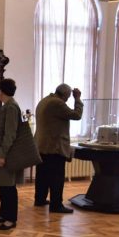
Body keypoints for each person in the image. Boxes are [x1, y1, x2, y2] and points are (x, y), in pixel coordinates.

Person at [0, 78, 39, 231]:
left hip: (6, 153)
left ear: (1, 91)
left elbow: (10, 134)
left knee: (8, 187)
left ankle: (10, 218)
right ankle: (3, 213)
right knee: (3, 185)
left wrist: (2, 155)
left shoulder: (11, 107)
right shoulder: (8, 106)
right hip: (2, 151)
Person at [33, 83, 83, 213]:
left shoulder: (45, 100)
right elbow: (76, 115)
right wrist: (77, 99)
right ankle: (56, 205)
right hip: (54, 146)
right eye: (68, 96)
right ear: (65, 95)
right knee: (57, 177)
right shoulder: (57, 103)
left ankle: (39, 199)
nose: (68, 99)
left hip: (42, 145)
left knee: (42, 175)